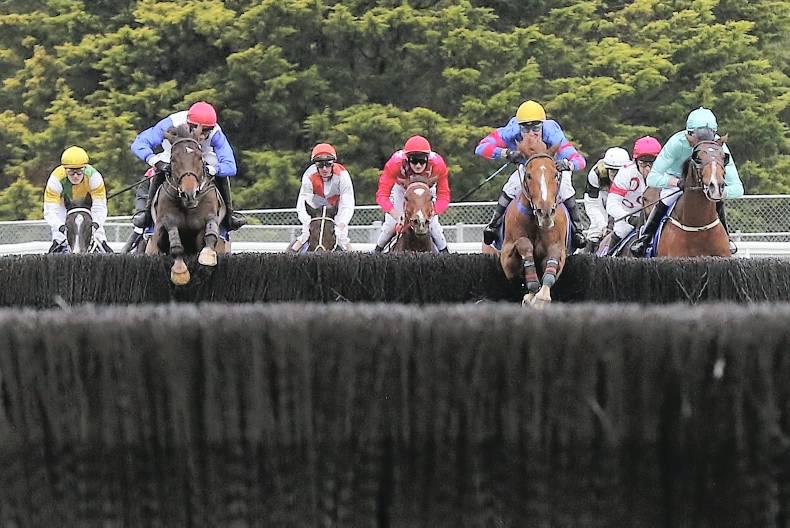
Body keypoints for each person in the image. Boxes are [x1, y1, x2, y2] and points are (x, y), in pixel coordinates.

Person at [630, 107, 744, 256]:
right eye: (699, 138)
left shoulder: (717, 148)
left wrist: (719, 190)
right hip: (676, 183)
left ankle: (726, 239)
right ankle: (646, 238)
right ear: (689, 135)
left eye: (708, 137)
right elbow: (653, 178)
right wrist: (676, 183)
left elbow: (738, 188)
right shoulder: (676, 143)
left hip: (705, 184)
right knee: (666, 199)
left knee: (717, 201)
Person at [475, 100, 587, 248]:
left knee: (565, 189)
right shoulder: (510, 131)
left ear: (542, 125)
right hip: (529, 168)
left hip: (554, 168)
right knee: (511, 186)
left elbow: (580, 161)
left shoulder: (553, 134)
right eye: (525, 129)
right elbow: (481, 148)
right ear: (519, 127)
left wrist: (568, 165)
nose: (531, 134)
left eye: (536, 128)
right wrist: (506, 153)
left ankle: (578, 230)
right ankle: (493, 225)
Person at [130, 101, 246, 231]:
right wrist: (155, 161)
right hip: (174, 154)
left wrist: (213, 169)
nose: (202, 136)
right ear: (188, 124)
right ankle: (146, 214)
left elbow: (230, 166)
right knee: (155, 171)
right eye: (198, 129)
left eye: (206, 131)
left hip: (202, 156)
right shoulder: (171, 123)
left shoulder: (216, 133)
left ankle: (229, 215)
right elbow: (139, 143)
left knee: (221, 172)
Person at [374, 135, 450, 253]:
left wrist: (434, 211)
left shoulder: (438, 164)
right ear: (407, 159)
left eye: (422, 161)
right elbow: (382, 195)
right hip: (402, 190)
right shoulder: (395, 163)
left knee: (434, 227)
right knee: (390, 226)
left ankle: (446, 255)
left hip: (426, 191)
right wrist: (395, 214)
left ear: (428, 159)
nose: (418, 165)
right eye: (414, 161)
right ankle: (376, 253)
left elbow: (444, 195)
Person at [288, 143, 355, 251]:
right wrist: (308, 223)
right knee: (305, 234)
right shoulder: (308, 176)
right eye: (320, 165)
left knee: (342, 237)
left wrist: (341, 225)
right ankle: (290, 254)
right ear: (315, 165)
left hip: (335, 209)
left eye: (328, 164)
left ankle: (354, 258)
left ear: (333, 163)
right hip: (316, 208)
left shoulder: (343, 175)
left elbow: (347, 205)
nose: (324, 169)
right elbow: (302, 204)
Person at [43, 146, 111, 253]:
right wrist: (60, 227)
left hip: (87, 205)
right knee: (59, 237)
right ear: (65, 170)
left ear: (85, 169)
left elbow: (99, 207)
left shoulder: (94, 177)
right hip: (63, 205)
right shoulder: (55, 179)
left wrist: (96, 224)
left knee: (99, 236)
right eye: (71, 173)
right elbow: (50, 211)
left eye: (79, 173)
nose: (75, 176)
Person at [604, 136, 662, 255]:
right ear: (635, 161)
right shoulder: (626, 173)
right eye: (643, 163)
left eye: (652, 163)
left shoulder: (664, 173)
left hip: (655, 217)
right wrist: (629, 218)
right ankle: (608, 258)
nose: (648, 168)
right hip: (628, 217)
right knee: (621, 231)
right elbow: (611, 204)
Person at [583, 147, 631, 251]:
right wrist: (602, 225)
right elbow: (592, 204)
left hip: (624, 200)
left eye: (619, 171)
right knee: (595, 231)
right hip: (603, 197)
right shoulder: (596, 174)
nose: (616, 175)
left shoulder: (632, 174)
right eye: (612, 170)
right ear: (606, 168)